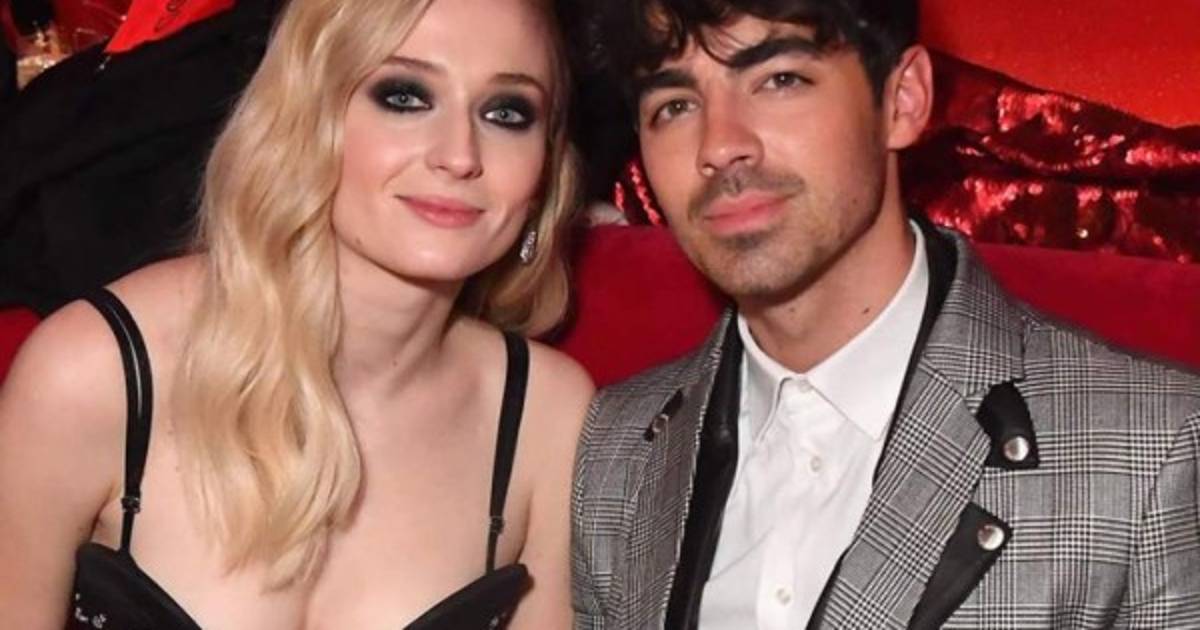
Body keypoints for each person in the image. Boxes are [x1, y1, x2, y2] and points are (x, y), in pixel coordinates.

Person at [570, 1, 1200, 628]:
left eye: (780, 80)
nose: (720, 145)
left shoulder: (1149, 450)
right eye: (674, 105)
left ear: (902, 101)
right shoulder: (612, 449)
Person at [0, 0, 592, 627]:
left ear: (546, 165)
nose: (459, 154)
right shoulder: (96, 373)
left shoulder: (548, 421)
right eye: (404, 97)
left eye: (507, 113)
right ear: (305, 114)